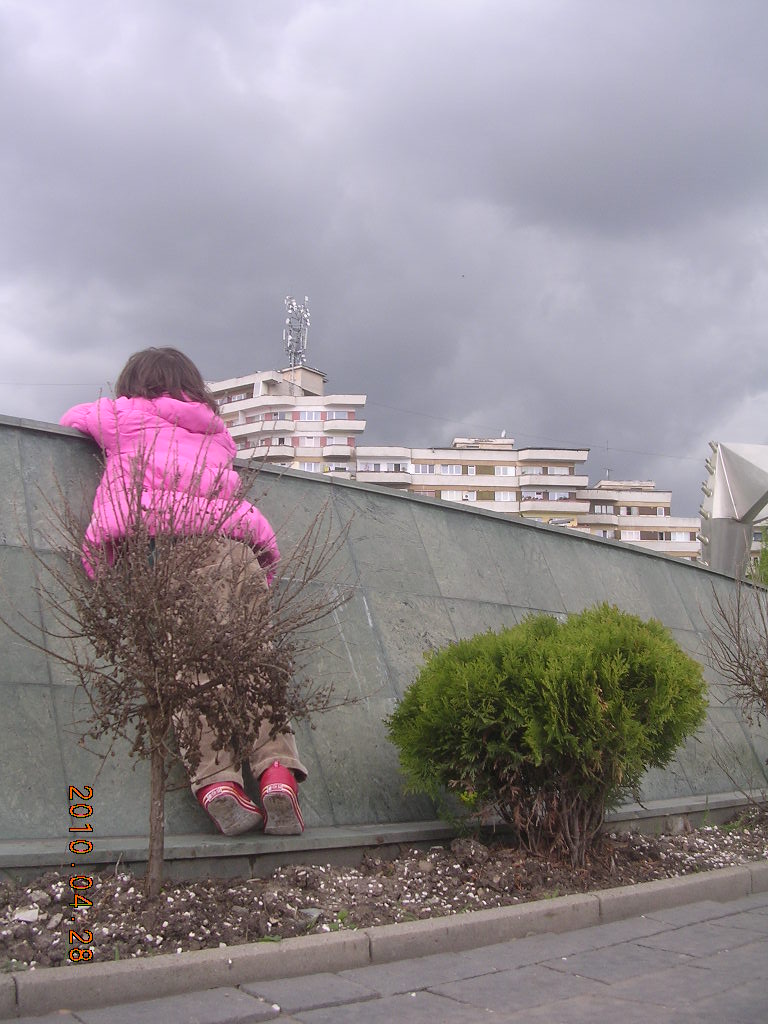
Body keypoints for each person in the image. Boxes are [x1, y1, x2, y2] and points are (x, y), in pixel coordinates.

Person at [60, 346, 307, 837]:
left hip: (170, 550)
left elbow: (73, 419)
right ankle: (276, 773)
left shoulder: (121, 417)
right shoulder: (216, 434)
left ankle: (218, 781)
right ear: (194, 389)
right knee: (256, 658)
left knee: (194, 663)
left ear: (134, 385)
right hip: (236, 548)